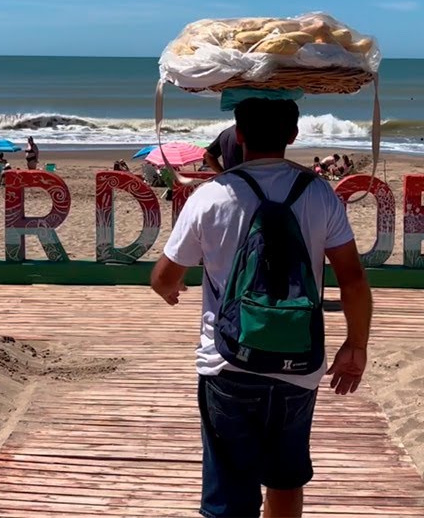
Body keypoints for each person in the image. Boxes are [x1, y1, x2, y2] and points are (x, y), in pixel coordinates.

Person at [148, 97, 372, 518]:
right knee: (285, 482)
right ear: (293, 135)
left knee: (230, 498)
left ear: (239, 135)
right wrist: (355, 345)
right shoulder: (319, 193)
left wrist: (172, 290)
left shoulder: (211, 195)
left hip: (227, 364)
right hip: (299, 365)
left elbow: (162, 277)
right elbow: (353, 278)